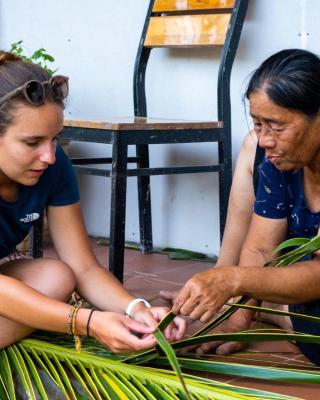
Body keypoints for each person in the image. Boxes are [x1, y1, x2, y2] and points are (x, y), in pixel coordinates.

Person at [0, 51, 186, 353]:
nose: (49, 156)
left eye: (55, 139)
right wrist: (86, 322)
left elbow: (83, 266)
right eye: (32, 143)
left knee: (58, 276)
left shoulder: (54, 165)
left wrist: (135, 310)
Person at [172, 48, 320, 365]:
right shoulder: (279, 160)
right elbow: (260, 251)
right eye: (258, 124)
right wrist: (238, 322)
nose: (265, 139)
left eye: (277, 126)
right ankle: (277, 309)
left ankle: (277, 310)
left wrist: (230, 282)